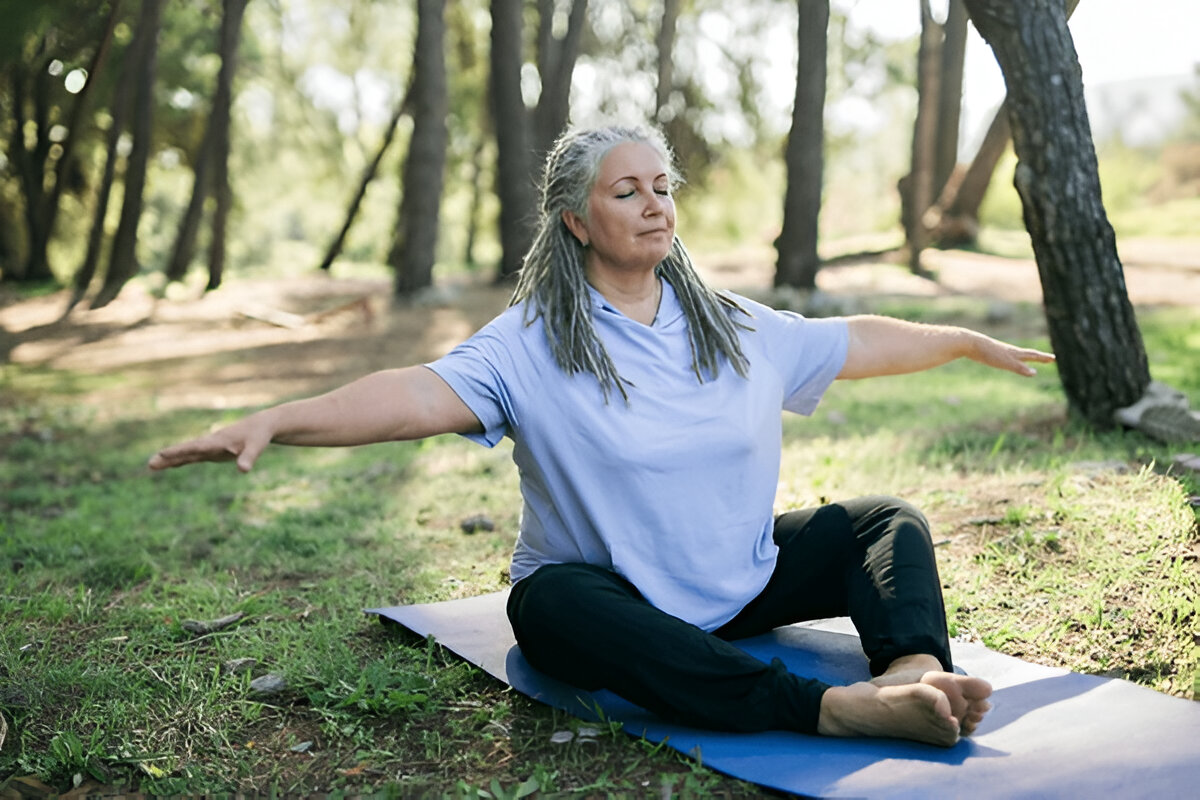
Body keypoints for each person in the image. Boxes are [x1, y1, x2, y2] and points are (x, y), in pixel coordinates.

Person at [150, 124, 1055, 748]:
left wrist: (962, 340)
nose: (657, 204)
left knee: (881, 518)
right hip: (613, 600)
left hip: (735, 580)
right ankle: (830, 710)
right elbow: (409, 396)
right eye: (628, 191)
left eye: (663, 187)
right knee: (545, 607)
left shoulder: (733, 325)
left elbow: (854, 340)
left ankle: (912, 676)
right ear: (578, 221)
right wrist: (276, 419)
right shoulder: (527, 344)